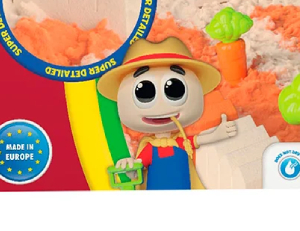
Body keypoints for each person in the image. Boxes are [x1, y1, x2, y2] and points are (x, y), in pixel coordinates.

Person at [98, 36, 236, 190]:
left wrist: (218, 134)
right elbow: (136, 171)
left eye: (175, 89)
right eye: (144, 92)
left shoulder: (181, 142)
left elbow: (200, 140)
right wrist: (128, 167)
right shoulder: (150, 149)